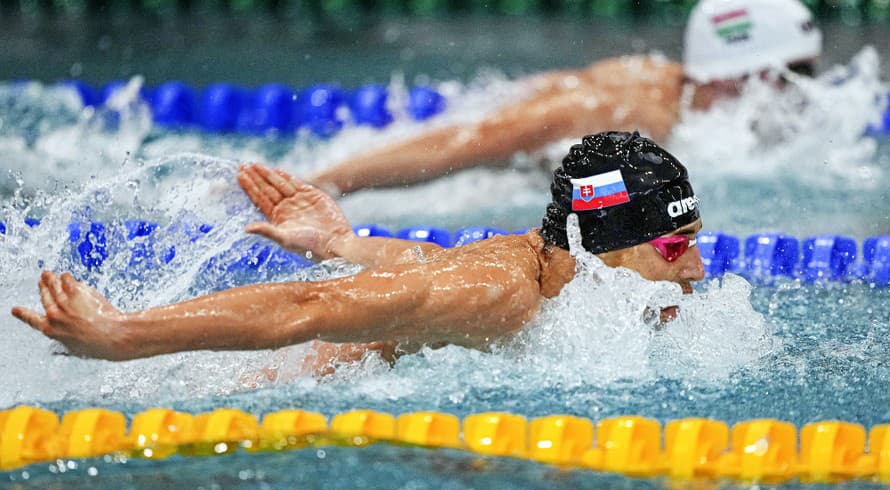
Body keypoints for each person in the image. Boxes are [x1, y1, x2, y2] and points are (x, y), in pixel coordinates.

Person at [12, 132, 704, 372]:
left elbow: (428, 269)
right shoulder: (502, 295)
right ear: (599, 247)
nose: (696, 269)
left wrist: (343, 243)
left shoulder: (544, 264)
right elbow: (310, 306)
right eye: (675, 247)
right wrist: (124, 335)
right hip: (267, 390)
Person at [304, 0, 821, 195]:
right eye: (795, 73)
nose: (805, 89)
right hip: (504, 151)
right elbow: (465, 142)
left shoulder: (672, 87)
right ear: (737, 74)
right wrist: (325, 184)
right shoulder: (624, 113)